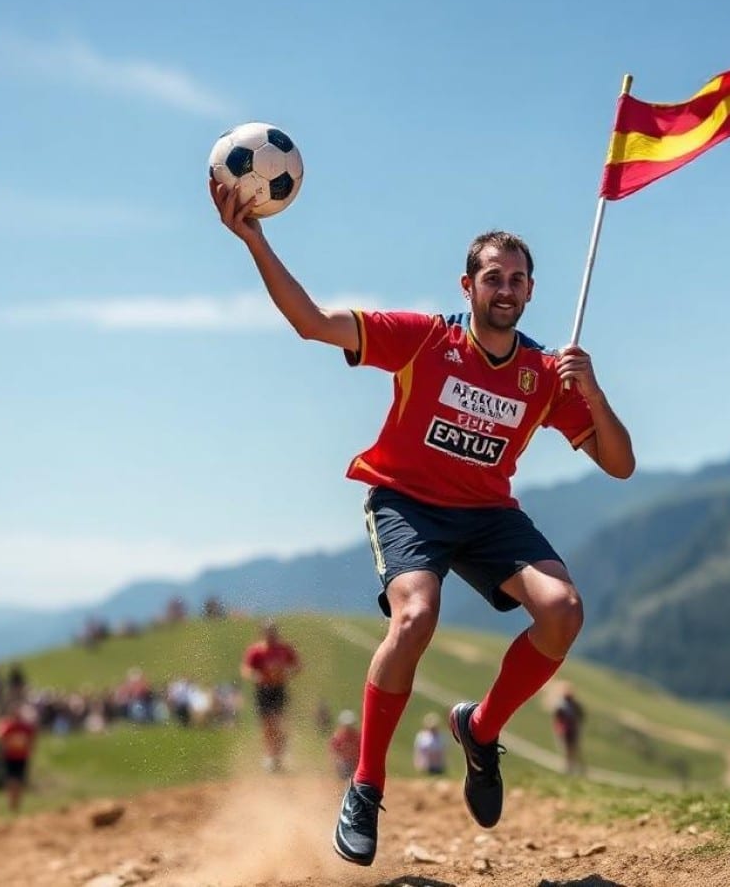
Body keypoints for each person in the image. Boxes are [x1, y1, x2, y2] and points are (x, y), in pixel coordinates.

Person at [210, 183, 635, 867]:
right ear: (467, 286)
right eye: (492, 277)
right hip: (406, 502)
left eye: (517, 279)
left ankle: (481, 728)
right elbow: (314, 323)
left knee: (563, 611)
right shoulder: (424, 340)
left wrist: (594, 391)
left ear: (530, 292)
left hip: (489, 513)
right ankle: (366, 786)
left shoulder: (543, 374)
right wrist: (255, 239)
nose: (505, 288)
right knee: (415, 618)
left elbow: (619, 464)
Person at [239, 619, 302, 772]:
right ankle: (270, 756)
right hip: (263, 691)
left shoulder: (284, 649)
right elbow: (246, 668)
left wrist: (288, 672)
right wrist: (255, 675)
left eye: (273, 632)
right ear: (263, 634)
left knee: (280, 722)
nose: (271, 635)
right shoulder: (256, 651)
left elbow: (297, 665)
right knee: (267, 725)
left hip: (279, 688)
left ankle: (280, 752)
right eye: (268, 633)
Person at [0, 703, 37, 812]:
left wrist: (30, 748)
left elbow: (32, 738)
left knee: (18, 781)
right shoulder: (8, 726)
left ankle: (16, 803)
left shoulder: (25, 727)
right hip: (9, 757)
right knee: (11, 781)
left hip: (21, 757)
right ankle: (12, 802)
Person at [552, 686, 586, 776]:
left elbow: (581, 715)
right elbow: (557, 718)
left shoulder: (574, 705)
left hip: (572, 730)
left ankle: (578, 768)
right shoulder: (561, 706)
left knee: (574, 749)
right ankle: (569, 769)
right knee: (567, 750)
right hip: (565, 731)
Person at [329, 710, 361, 781]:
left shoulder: (358, 737)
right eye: (347, 726)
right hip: (344, 764)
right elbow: (334, 753)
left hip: (356, 763)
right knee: (344, 770)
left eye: (350, 725)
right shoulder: (338, 737)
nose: (349, 728)